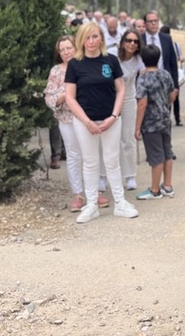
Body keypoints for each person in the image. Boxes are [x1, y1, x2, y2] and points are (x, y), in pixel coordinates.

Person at [63, 22, 139, 223]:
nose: (91, 41)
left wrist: (114, 116)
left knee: (112, 160)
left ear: (101, 38)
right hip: (84, 121)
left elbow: (121, 89)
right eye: (87, 37)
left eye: (95, 36)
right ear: (81, 40)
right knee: (90, 162)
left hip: (110, 119)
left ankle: (121, 202)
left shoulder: (111, 60)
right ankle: (91, 204)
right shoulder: (75, 65)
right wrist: (87, 122)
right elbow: (70, 97)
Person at [44, 35, 85, 212]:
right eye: (62, 49)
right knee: (74, 155)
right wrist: (63, 97)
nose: (66, 52)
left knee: (91, 155)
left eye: (69, 48)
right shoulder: (56, 71)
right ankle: (78, 194)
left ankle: (96, 190)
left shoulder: (85, 65)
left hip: (86, 117)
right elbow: (49, 96)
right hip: (67, 119)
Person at [134, 43, 176, 200]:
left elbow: (142, 103)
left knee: (156, 156)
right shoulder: (165, 74)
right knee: (167, 152)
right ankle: (168, 185)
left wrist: (137, 127)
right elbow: (172, 94)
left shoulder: (143, 79)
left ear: (142, 59)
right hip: (165, 118)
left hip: (150, 122)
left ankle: (154, 189)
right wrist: (165, 105)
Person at [117, 29, 145, 191]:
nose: (131, 44)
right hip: (110, 98)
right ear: (123, 42)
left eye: (135, 41)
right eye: (128, 40)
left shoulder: (138, 60)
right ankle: (102, 176)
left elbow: (144, 76)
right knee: (108, 139)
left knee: (128, 137)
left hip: (128, 98)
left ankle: (129, 175)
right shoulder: (113, 56)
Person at [144, 10, 181, 126]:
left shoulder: (166, 39)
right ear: (145, 24)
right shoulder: (139, 39)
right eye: (150, 21)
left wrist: (175, 86)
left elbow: (173, 63)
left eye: (155, 21)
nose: (153, 24)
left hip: (165, 84)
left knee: (165, 116)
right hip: (145, 84)